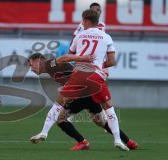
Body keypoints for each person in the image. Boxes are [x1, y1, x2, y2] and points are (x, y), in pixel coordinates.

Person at [28, 53, 137, 151]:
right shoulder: (49, 70)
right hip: (86, 93)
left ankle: (82, 142)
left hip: (81, 93)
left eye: (31, 65)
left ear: (39, 61)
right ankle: (129, 142)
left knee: (61, 118)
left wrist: (83, 58)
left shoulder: (49, 65)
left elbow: (66, 57)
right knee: (101, 122)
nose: (31, 69)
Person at [56, 9, 131, 151]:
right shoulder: (106, 37)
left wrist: (70, 61)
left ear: (85, 20)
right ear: (99, 22)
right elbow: (112, 61)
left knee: (59, 115)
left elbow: (67, 58)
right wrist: (98, 66)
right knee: (106, 114)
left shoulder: (79, 35)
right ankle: (125, 141)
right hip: (96, 81)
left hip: (80, 83)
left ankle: (79, 141)